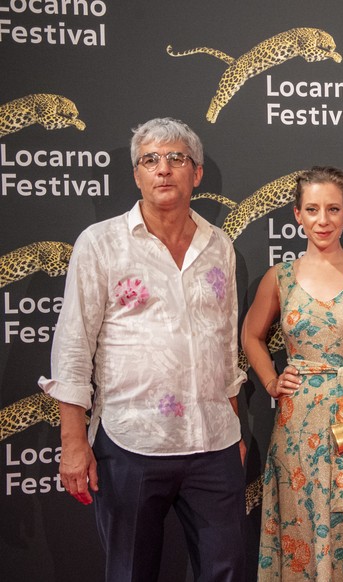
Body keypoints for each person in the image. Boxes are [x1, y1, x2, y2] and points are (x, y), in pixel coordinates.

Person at [39, 117, 247, 581]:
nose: (164, 169)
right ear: (136, 175)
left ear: (196, 173)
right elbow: (72, 346)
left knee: (228, 569)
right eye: (150, 160)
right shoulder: (100, 244)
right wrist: (73, 443)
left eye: (177, 158)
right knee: (131, 571)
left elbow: (224, 343)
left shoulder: (220, 245)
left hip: (214, 441)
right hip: (131, 442)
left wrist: (233, 424)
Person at [241, 166, 343, 581]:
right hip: (300, 430)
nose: (323, 219)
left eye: (333, 209)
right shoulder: (279, 278)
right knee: (303, 525)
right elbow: (250, 335)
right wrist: (270, 380)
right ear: (297, 214)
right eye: (312, 209)